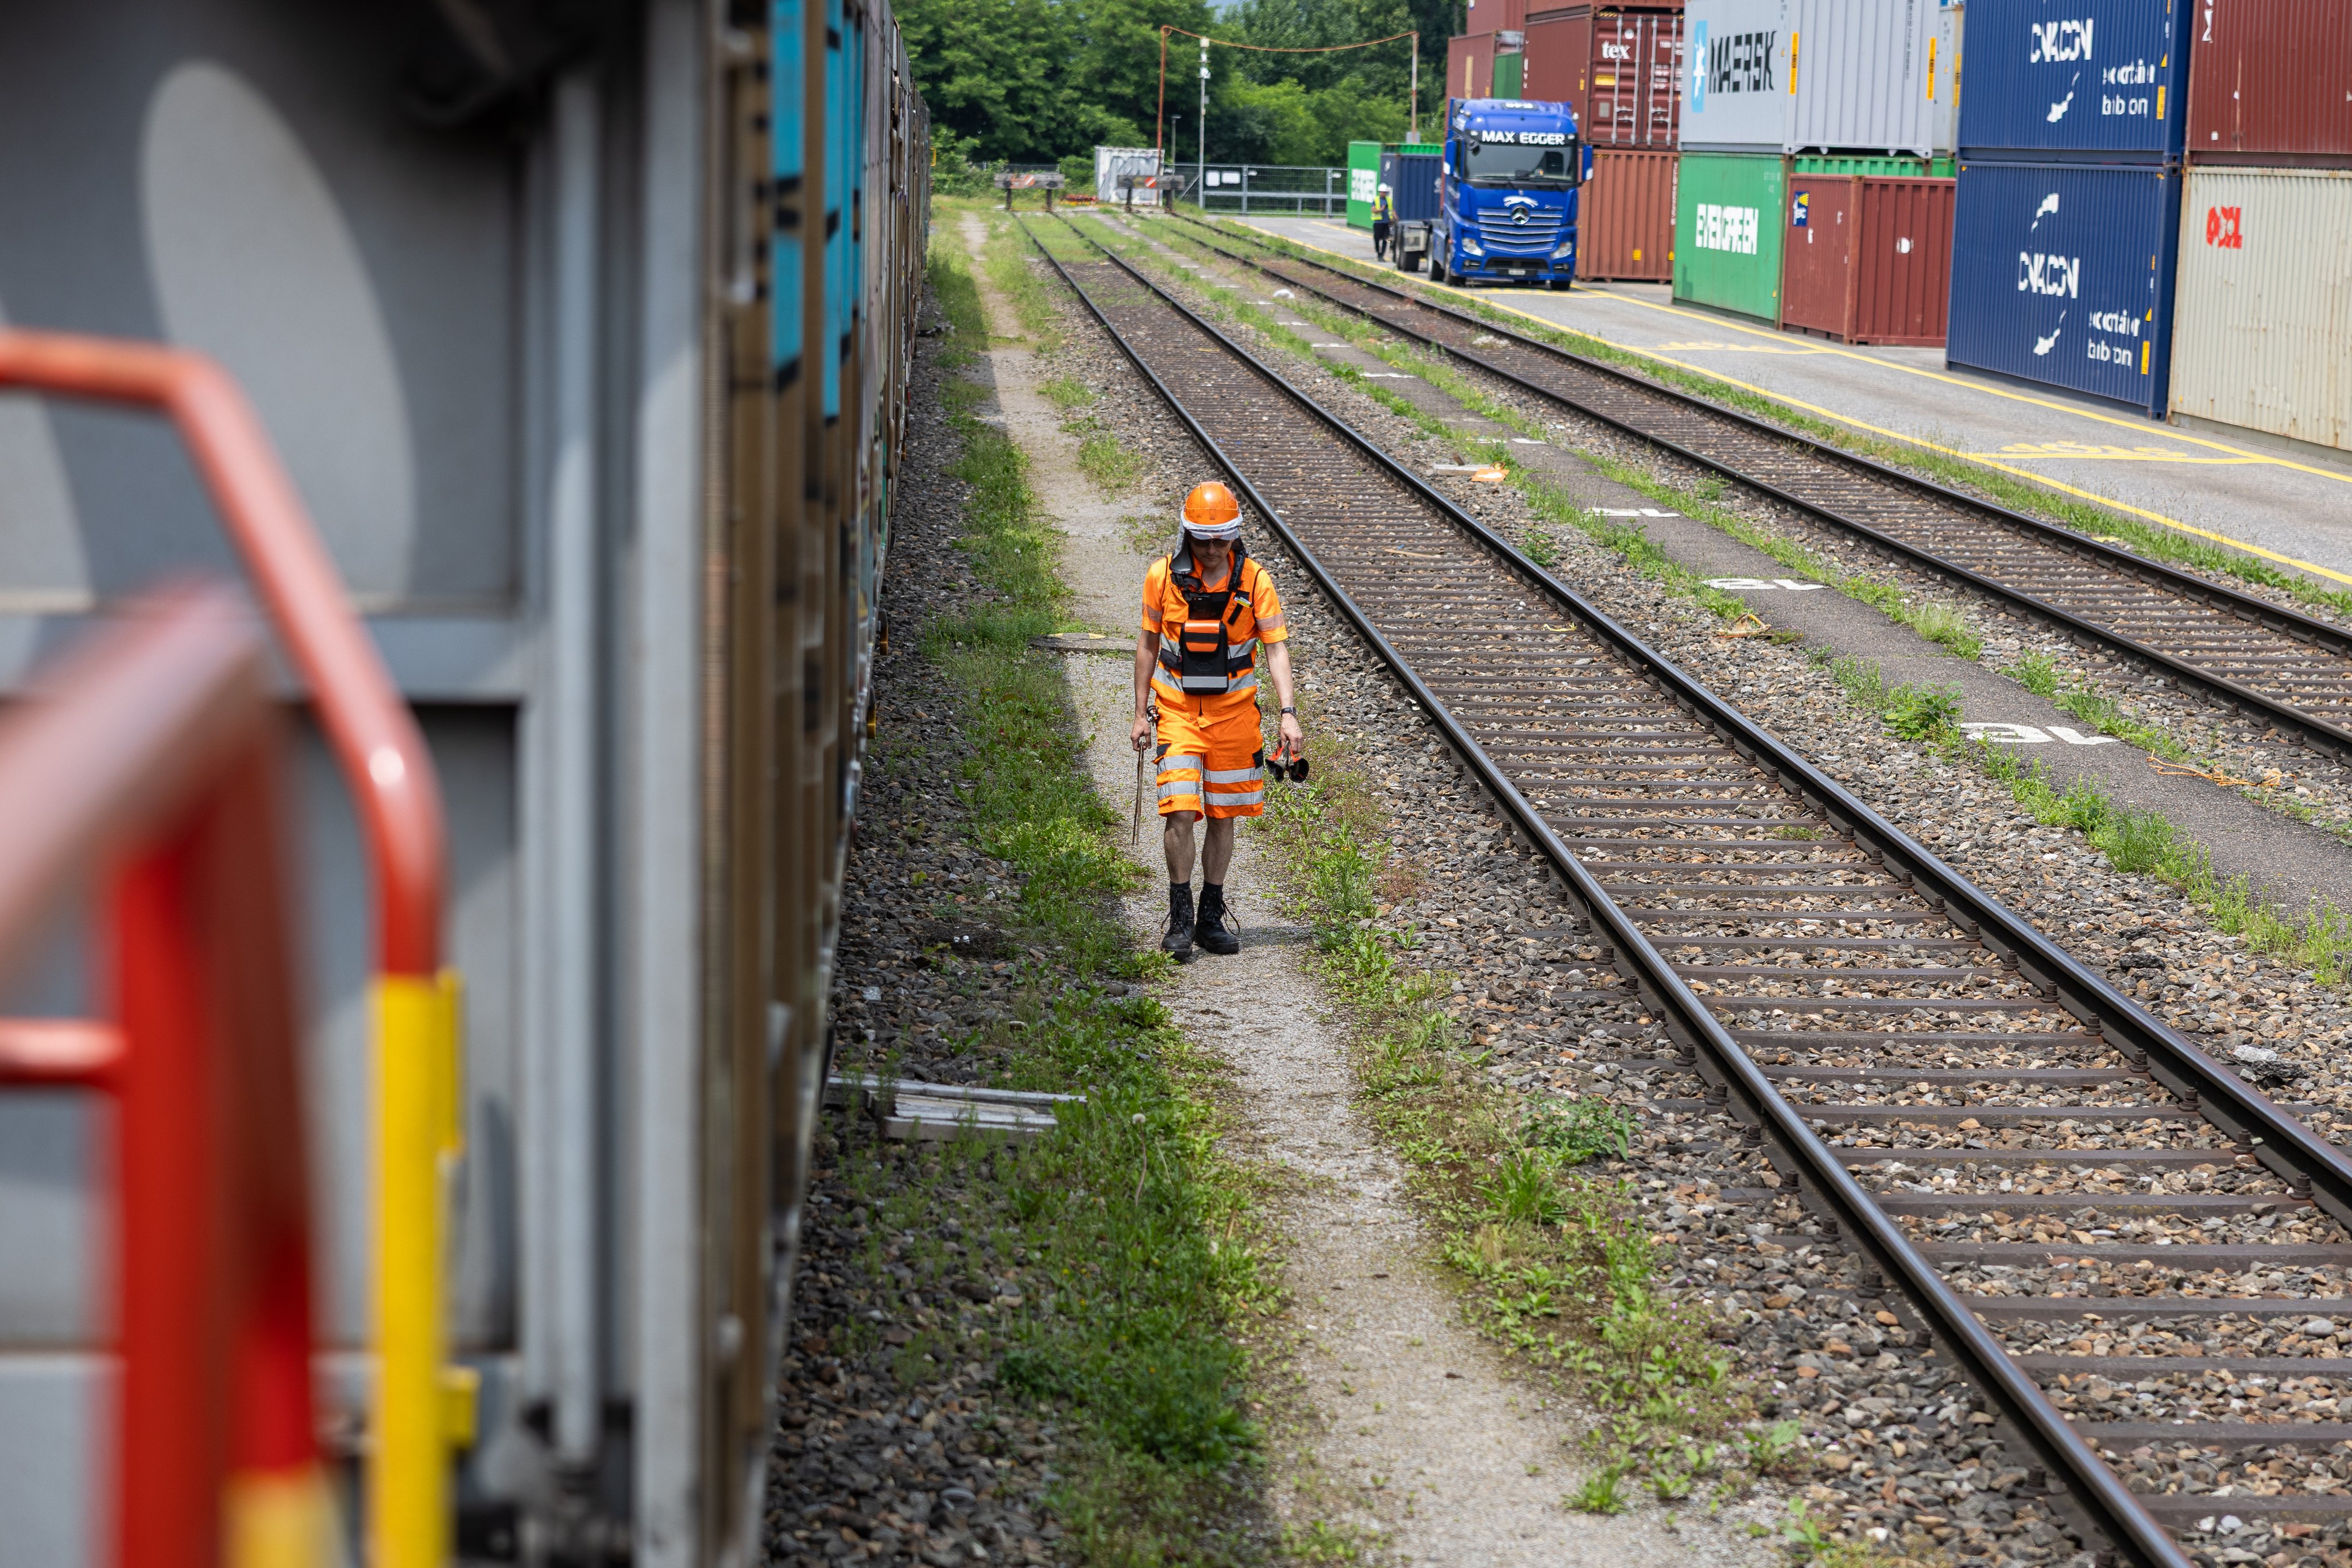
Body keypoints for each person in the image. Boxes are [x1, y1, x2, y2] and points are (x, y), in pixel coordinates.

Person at [1132, 481, 1306, 959]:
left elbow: (1276, 647)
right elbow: (1148, 645)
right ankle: (1181, 916)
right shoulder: (1161, 577)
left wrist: (1288, 713)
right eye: (1204, 539)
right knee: (1181, 810)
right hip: (1177, 713)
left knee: (1225, 815)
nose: (1213, 549)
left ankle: (1211, 915)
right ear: (1187, 533)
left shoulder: (1255, 581)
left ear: (1235, 536)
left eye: (1222, 539)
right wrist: (1138, 712)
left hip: (1235, 719)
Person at [1371, 182, 1396, 261]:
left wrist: (1396, 219)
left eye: (1385, 192)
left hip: (1386, 223)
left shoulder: (1389, 200)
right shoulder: (1375, 200)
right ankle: (1378, 253)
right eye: (1382, 192)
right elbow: (1373, 210)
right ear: (1379, 192)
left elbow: (1392, 210)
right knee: (1377, 239)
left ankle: (1382, 255)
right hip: (1378, 223)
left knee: (1385, 239)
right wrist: (1380, 210)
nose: (1383, 194)